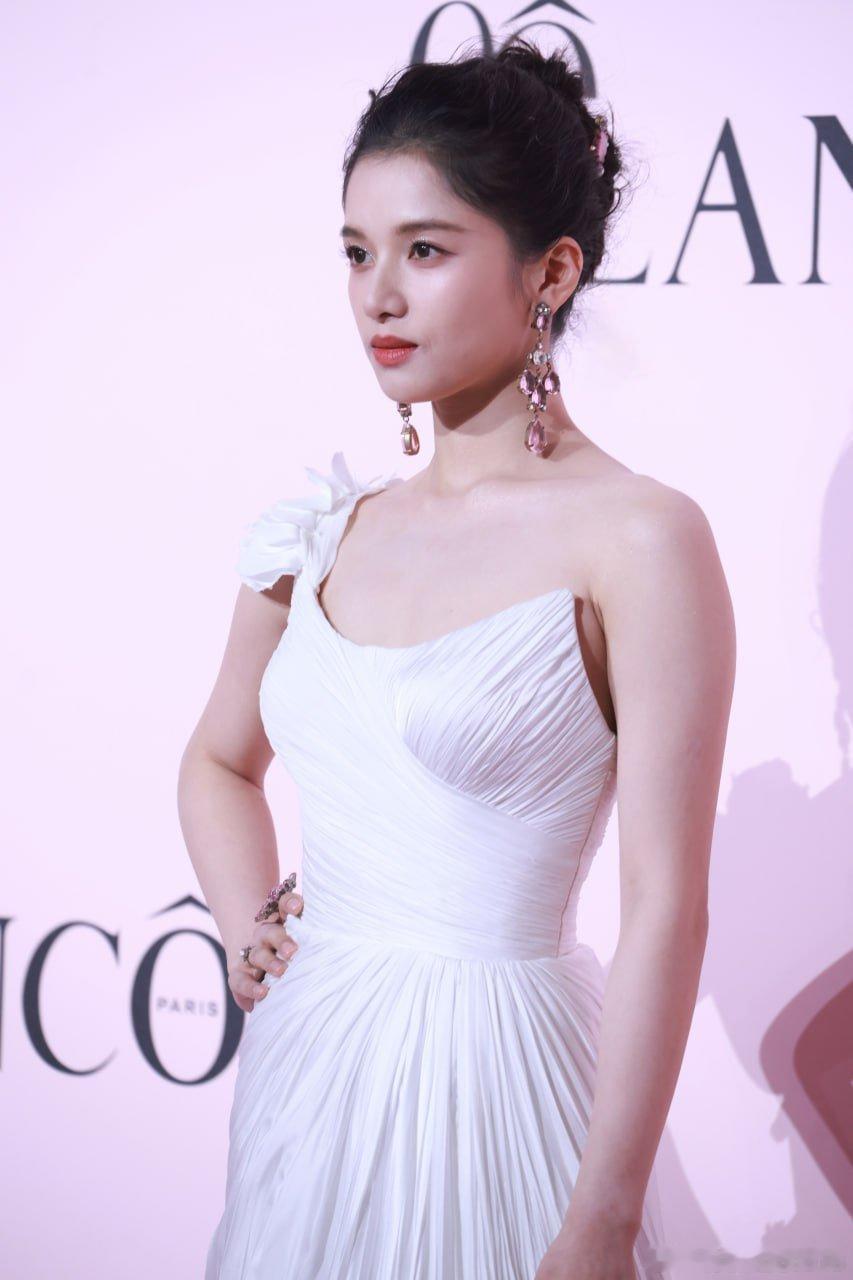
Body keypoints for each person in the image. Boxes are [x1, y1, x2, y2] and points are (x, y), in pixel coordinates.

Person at [178, 35, 736, 1280]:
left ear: (550, 271)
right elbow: (217, 759)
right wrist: (247, 925)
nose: (377, 296)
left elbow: (665, 904)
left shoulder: (641, 537)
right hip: (307, 1080)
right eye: (356, 251)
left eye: (424, 250)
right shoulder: (322, 530)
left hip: (499, 1088)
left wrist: (603, 1215)